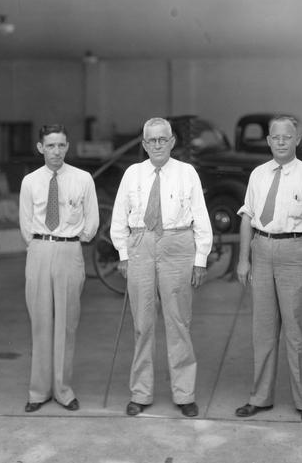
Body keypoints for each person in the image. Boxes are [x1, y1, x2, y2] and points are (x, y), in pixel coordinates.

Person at [110, 117, 212, 418]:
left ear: (172, 142)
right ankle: (141, 393)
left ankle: (184, 394)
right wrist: (123, 254)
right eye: (151, 140)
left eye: (162, 139)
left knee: (178, 321)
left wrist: (200, 259)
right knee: (142, 323)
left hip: (177, 244)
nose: (157, 144)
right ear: (144, 144)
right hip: (140, 243)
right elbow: (119, 217)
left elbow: (201, 217)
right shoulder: (132, 174)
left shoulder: (187, 173)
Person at [234, 115, 302, 424]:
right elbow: (247, 217)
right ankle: (260, 397)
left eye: (287, 137)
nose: (280, 142)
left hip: (295, 253)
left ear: (297, 140)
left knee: (297, 333)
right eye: (275, 137)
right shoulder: (258, 175)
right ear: (268, 140)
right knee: (263, 332)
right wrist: (243, 259)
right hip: (262, 250)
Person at [19, 124, 99, 413]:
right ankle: (38, 391)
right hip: (39, 249)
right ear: (40, 147)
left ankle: (63, 390)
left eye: (61, 145)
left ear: (68, 147)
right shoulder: (30, 182)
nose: (56, 151)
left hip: (69, 249)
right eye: (50, 146)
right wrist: (41, 244)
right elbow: (26, 224)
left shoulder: (83, 179)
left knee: (67, 322)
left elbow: (92, 221)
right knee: (40, 322)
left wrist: (75, 237)